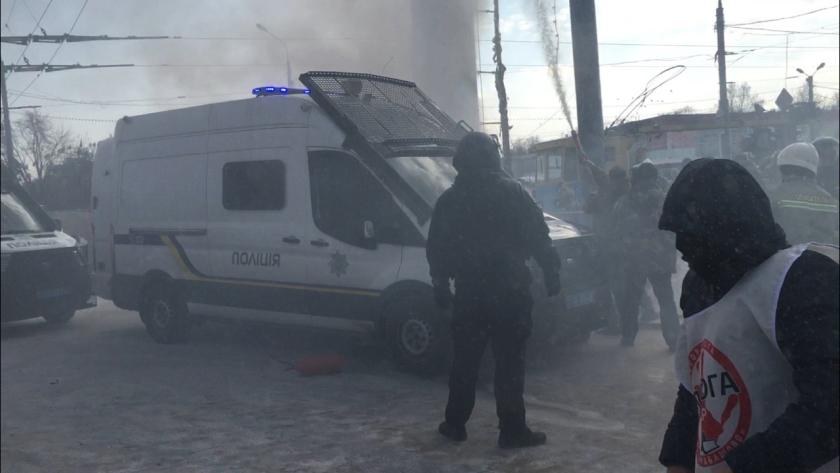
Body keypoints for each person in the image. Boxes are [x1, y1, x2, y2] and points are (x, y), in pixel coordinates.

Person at [657, 158, 839, 473]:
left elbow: (829, 407)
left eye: (691, 233)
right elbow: (696, 385)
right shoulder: (700, 286)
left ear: (724, 227)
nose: (682, 248)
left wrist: (744, 465)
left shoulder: (803, 280)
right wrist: (677, 457)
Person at [426, 132, 561, 449]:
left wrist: (440, 284)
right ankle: (512, 429)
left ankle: (454, 424)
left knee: (465, 361)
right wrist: (551, 271)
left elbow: (437, 248)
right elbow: (538, 235)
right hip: (510, 292)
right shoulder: (513, 192)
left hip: (470, 294)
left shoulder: (449, 200)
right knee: (509, 362)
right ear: (492, 157)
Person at [610, 162, 680, 349]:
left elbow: (616, 231)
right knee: (666, 299)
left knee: (631, 300)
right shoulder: (666, 200)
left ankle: (628, 337)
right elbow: (675, 228)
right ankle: (673, 339)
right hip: (660, 259)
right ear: (654, 178)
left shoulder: (624, 202)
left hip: (634, 260)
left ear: (635, 179)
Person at [583, 164, 630, 335]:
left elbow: (587, 208)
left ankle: (615, 324)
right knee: (624, 287)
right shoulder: (628, 193)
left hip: (607, 246)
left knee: (608, 287)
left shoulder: (606, 194)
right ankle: (626, 324)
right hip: (625, 247)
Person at [771, 142, 839, 246]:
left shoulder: (775, 195)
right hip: (821, 255)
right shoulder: (831, 200)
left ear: (783, 169)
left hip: (785, 254)